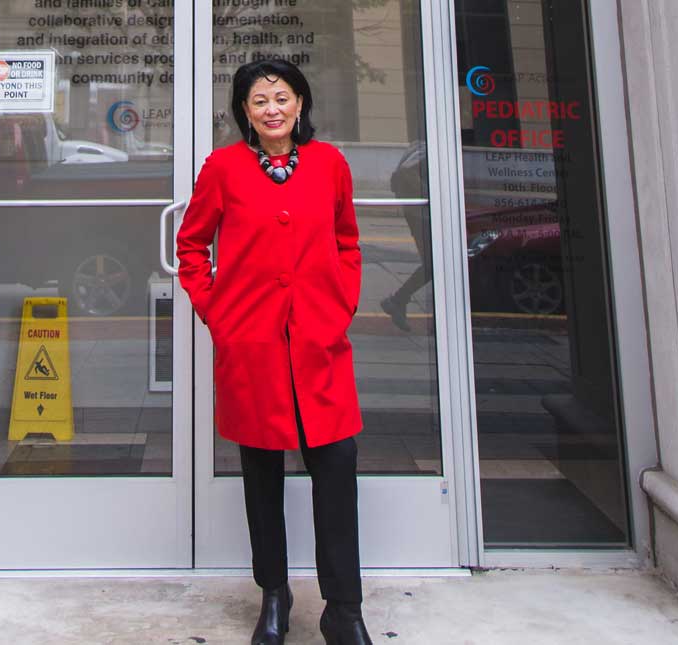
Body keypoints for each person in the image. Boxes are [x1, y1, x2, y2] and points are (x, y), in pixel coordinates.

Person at [176, 60, 372, 645]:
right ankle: (275, 594)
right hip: (253, 345)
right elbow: (191, 245)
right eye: (258, 100)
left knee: (335, 470)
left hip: (320, 341)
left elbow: (347, 241)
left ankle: (344, 607)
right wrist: (219, 313)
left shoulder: (329, 163)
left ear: (300, 104)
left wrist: (341, 305)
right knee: (262, 477)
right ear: (243, 112)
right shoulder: (224, 168)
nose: (271, 109)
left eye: (281, 97)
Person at [380, 141, 430, 331]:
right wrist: (430, 196)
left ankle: (399, 300)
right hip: (421, 213)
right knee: (434, 263)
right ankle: (398, 300)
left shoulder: (419, 145)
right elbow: (406, 172)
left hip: (418, 212)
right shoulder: (427, 145)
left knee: (434, 263)